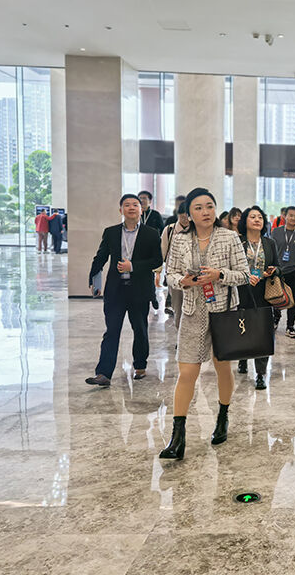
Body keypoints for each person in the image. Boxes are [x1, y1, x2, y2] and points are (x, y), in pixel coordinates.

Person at [159, 187, 250, 460]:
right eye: (198, 207)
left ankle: (223, 416)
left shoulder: (230, 237)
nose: (205, 212)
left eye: (210, 206)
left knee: (223, 369)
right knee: (187, 373)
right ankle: (178, 436)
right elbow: (170, 274)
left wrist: (220, 274)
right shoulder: (180, 240)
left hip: (223, 312)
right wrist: (182, 282)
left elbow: (245, 275)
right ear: (189, 213)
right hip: (192, 312)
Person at [85, 194, 163, 387]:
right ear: (120, 210)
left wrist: (133, 266)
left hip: (139, 291)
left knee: (140, 330)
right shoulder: (110, 232)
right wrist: (94, 279)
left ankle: (140, 366)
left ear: (141, 209)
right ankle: (103, 373)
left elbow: (157, 261)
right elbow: (101, 256)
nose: (131, 208)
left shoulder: (151, 233)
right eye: (126, 205)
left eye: (135, 205)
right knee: (112, 331)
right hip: (116, 291)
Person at [236, 205, 279, 390]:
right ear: (245, 221)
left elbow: (277, 265)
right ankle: (242, 358)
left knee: (262, 333)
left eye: (260, 217)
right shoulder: (238, 242)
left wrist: (273, 271)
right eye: (252, 216)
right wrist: (245, 276)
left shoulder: (269, 243)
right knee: (242, 329)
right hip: (242, 291)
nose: (257, 219)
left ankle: (261, 374)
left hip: (264, 293)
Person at [271, 206, 295, 338]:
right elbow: (271, 250)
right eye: (291, 215)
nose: (293, 218)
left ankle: (290, 325)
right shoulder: (276, 232)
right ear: (285, 217)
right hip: (277, 271)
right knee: (276, 297)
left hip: (294, 271)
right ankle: (276, 319)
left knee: (293, 300)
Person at [159, 201, 190, 326]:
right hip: (175, 275)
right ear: (178, 215)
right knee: (177, 307)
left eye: (188, 217)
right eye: (182, 217)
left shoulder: (196, 230)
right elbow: (162, 252)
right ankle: (179, 338)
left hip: (193, 274)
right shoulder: (169, 230)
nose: (186, 220)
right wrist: (158, 272)